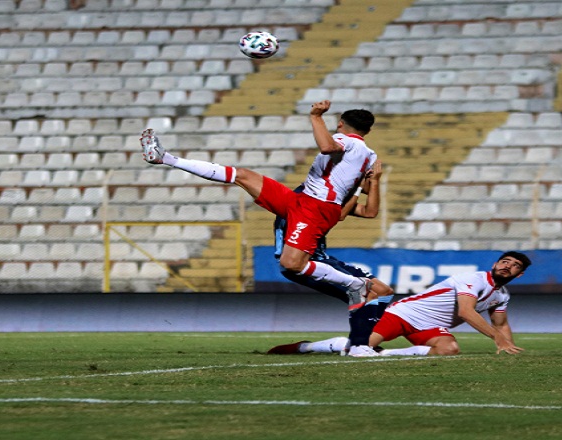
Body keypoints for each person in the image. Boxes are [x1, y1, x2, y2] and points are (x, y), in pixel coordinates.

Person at [140, 100, 378, 305]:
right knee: (242, 175)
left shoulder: (347, 141)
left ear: (340, 124)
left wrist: (316, 116)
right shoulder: (370, 155)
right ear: (368, 129)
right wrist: (364, 180)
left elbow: (327, 147)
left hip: (316, 207)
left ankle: (354, 284)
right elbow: (366, 186)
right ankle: (166, 158)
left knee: (291, 264)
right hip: (302, 199)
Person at [267, 161, 395, 355]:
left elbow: (370, 212)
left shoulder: (330, 194)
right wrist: (361, 186)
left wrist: (374, 182)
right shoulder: (312, 197)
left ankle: (361, 342)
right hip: (303, 261)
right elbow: (338, 216)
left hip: (321, 257)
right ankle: (360, 345)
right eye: (367, 178)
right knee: (368, 293)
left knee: (383, 291)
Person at [346, 251, 532, 357]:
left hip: (432, 327)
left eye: (515, 265)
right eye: (504, 262)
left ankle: (385, 353)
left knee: (449, 349)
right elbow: (466, 312)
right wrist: (497, 338)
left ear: (520, 274)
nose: (507, 266)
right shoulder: (473, 279)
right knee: (358, 349)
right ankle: (316, 347)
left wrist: (509, 346)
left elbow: (500, 324)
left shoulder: (502, 295)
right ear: (494, 264)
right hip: (404, 314)